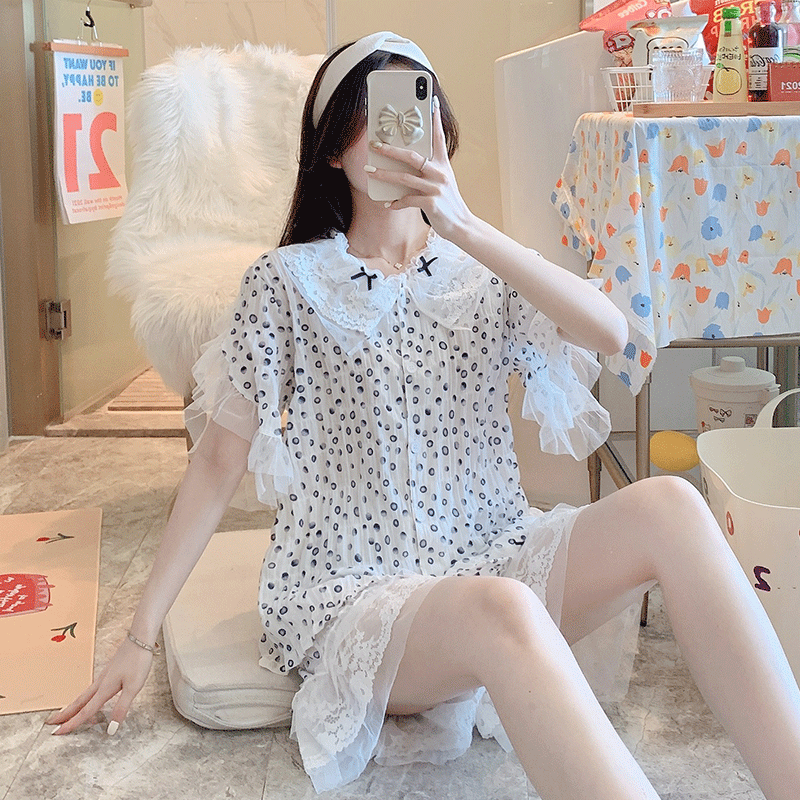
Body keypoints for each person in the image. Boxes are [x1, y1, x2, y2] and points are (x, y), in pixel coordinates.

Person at [47, 32, 800, 800]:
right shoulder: (284, 284)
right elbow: (216, 463)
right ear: (332, 150)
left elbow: (609, 334)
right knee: (502, 607)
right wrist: (139, 636)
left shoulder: (484, 269)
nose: (401, 138)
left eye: (417, 113)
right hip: (355, 593)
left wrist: (463, 223)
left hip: (493, 555)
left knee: (673, 505)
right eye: (375, 119)